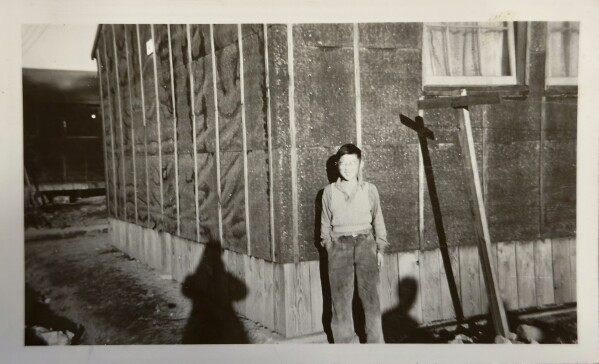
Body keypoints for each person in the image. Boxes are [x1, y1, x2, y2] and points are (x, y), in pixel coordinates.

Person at [320, 143, 388, 344]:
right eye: (343, 163)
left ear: (360, 164)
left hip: (366, 244)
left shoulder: (370, 190)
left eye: (352, 163)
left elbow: (378, 220)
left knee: (371, 298)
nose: (347, 167)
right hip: (339, 247)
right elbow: (324, 225)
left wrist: (380, 248)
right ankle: (344, 347)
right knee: (340, 300)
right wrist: (330, 247)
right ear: (337, 166)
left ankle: (376, 346)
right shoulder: (329, 192)